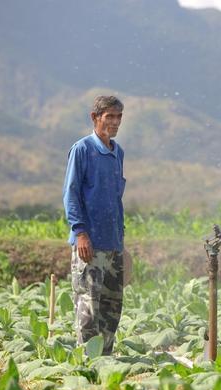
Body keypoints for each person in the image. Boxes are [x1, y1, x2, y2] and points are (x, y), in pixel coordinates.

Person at [63, 95, 126, 356]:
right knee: (88, 307)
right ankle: (89, 364)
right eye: (109, 116)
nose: (114, 122)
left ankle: (106, 360)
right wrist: (80, 233)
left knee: (112, 308)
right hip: (89, 244)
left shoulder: (117, 152)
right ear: (95, 118)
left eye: (118, 117)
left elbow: (115, 200)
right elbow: (71, 193)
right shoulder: (82, 149)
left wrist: (121, 243)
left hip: (113, 245)